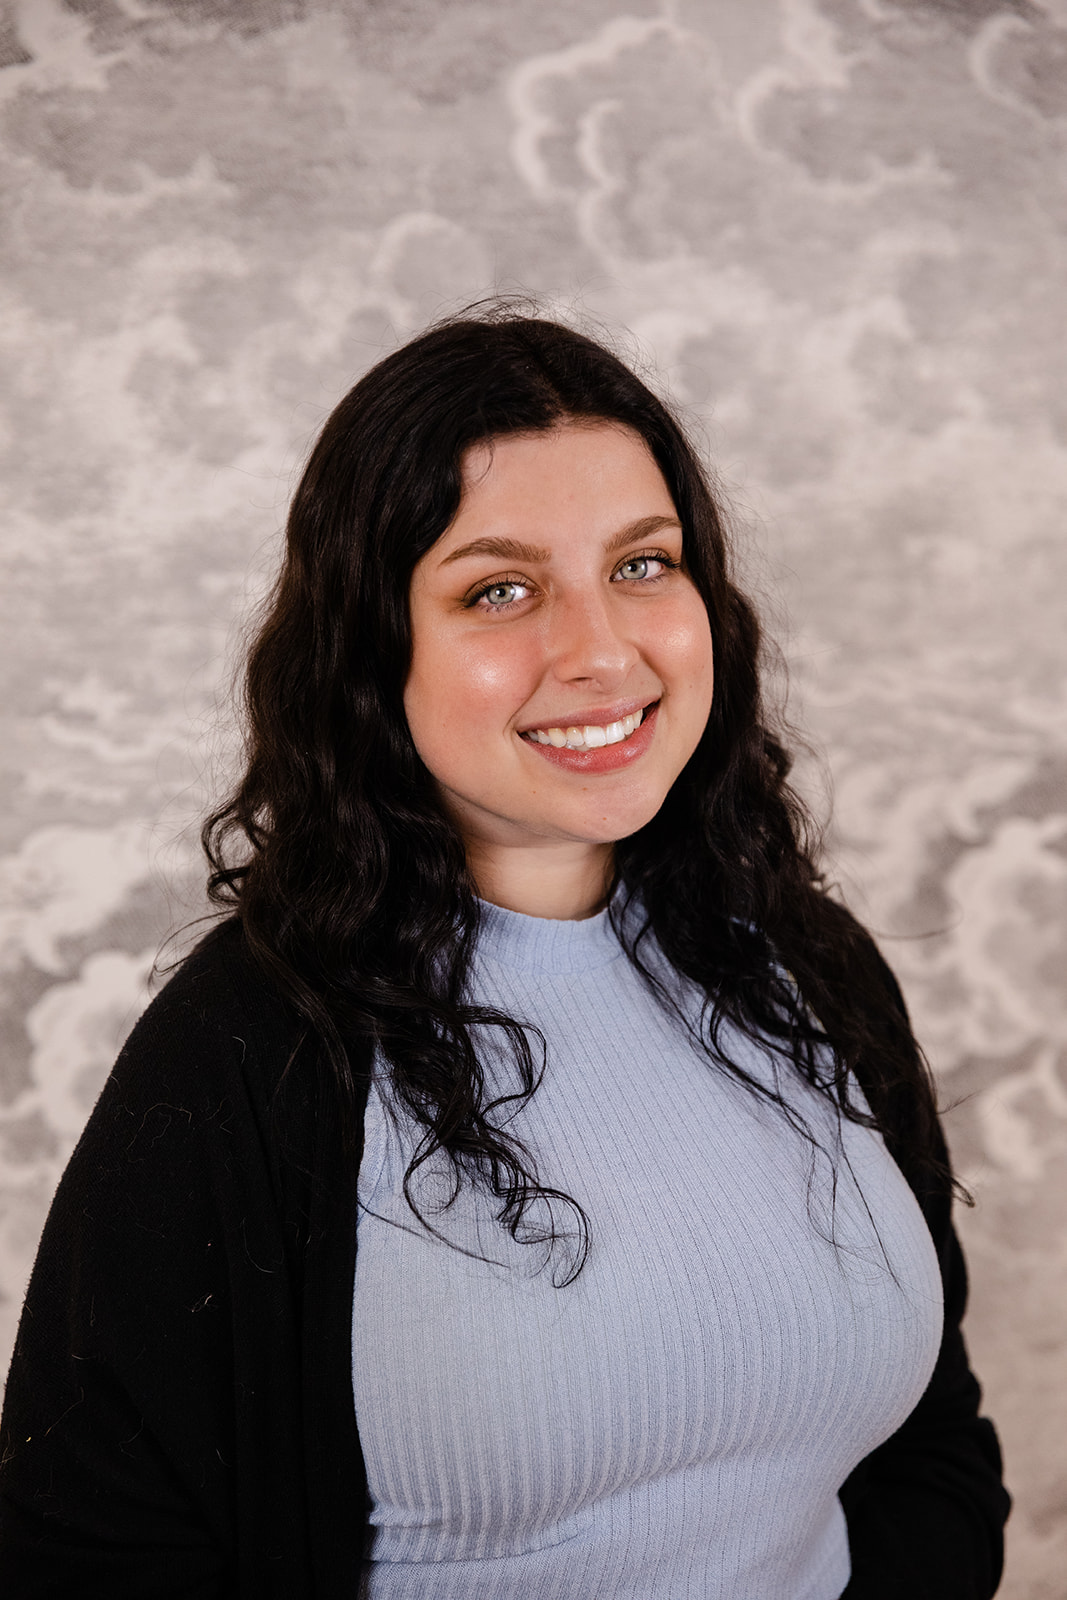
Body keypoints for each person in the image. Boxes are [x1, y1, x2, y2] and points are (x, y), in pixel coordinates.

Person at [0, 308, 1009, 1598]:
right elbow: (92, 1561)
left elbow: (931, 1450)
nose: (601, 651)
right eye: (501, 589)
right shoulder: (250, 1050)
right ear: (374, 652)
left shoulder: (806, 965)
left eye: (644, 565)